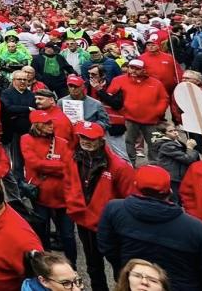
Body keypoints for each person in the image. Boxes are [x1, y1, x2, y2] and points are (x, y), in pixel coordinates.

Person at [97, 165, 202, 291]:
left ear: (135, 186)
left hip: (133, 283)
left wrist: (126, 268)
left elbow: (107, 246)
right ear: (170, 191)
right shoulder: (196, 228)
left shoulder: (113, 209)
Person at [68, 119, 133, 291]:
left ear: (101, 140)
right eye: (82, 136)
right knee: (93, 266)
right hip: (85, 223)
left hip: (109, 226)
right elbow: (69, 183)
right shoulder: (74, 159)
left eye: (90, 138)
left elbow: (129, 199)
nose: (85, 141)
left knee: (119, 267)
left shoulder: (120, 167)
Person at [21, 108, 84, 265]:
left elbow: (69, 166)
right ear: (37, 125)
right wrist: (58, 166)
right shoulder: (26, 139)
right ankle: (46, 266)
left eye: (51, 122)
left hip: (63, 198)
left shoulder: (61, 142)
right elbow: (33, 163)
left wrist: (48, 166)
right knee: (43, 232)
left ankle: (72, 266)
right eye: (46, 123)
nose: (51, 125)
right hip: (41, 196)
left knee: (68, 235)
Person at [100, 58, 169, 161]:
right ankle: (130, 164)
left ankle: (154, 165)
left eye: (137, 69)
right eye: (131, 68)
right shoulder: (118, 80)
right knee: (128, 143)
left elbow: (164, 99)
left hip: (151, 120)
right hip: (128, 118)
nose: (133, 71)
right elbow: (111, 97)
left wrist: (157, 112)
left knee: (154, 143)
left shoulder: (156, 83)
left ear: (144, 70)